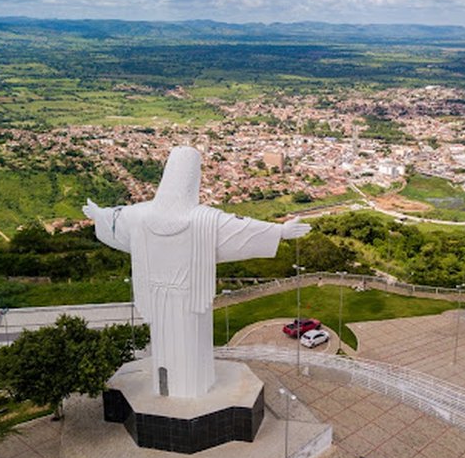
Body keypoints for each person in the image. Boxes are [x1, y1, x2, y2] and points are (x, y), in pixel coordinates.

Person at [84, 146, 310, 398]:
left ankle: (172, 388)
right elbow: (242, 230)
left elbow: (114, 219)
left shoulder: (139, 215)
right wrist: (279, 231)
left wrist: (98, 215)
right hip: (187, 298)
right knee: (190, 353)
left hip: (158, 296)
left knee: (171, 351)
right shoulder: (204, 220)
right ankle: (186, 390)